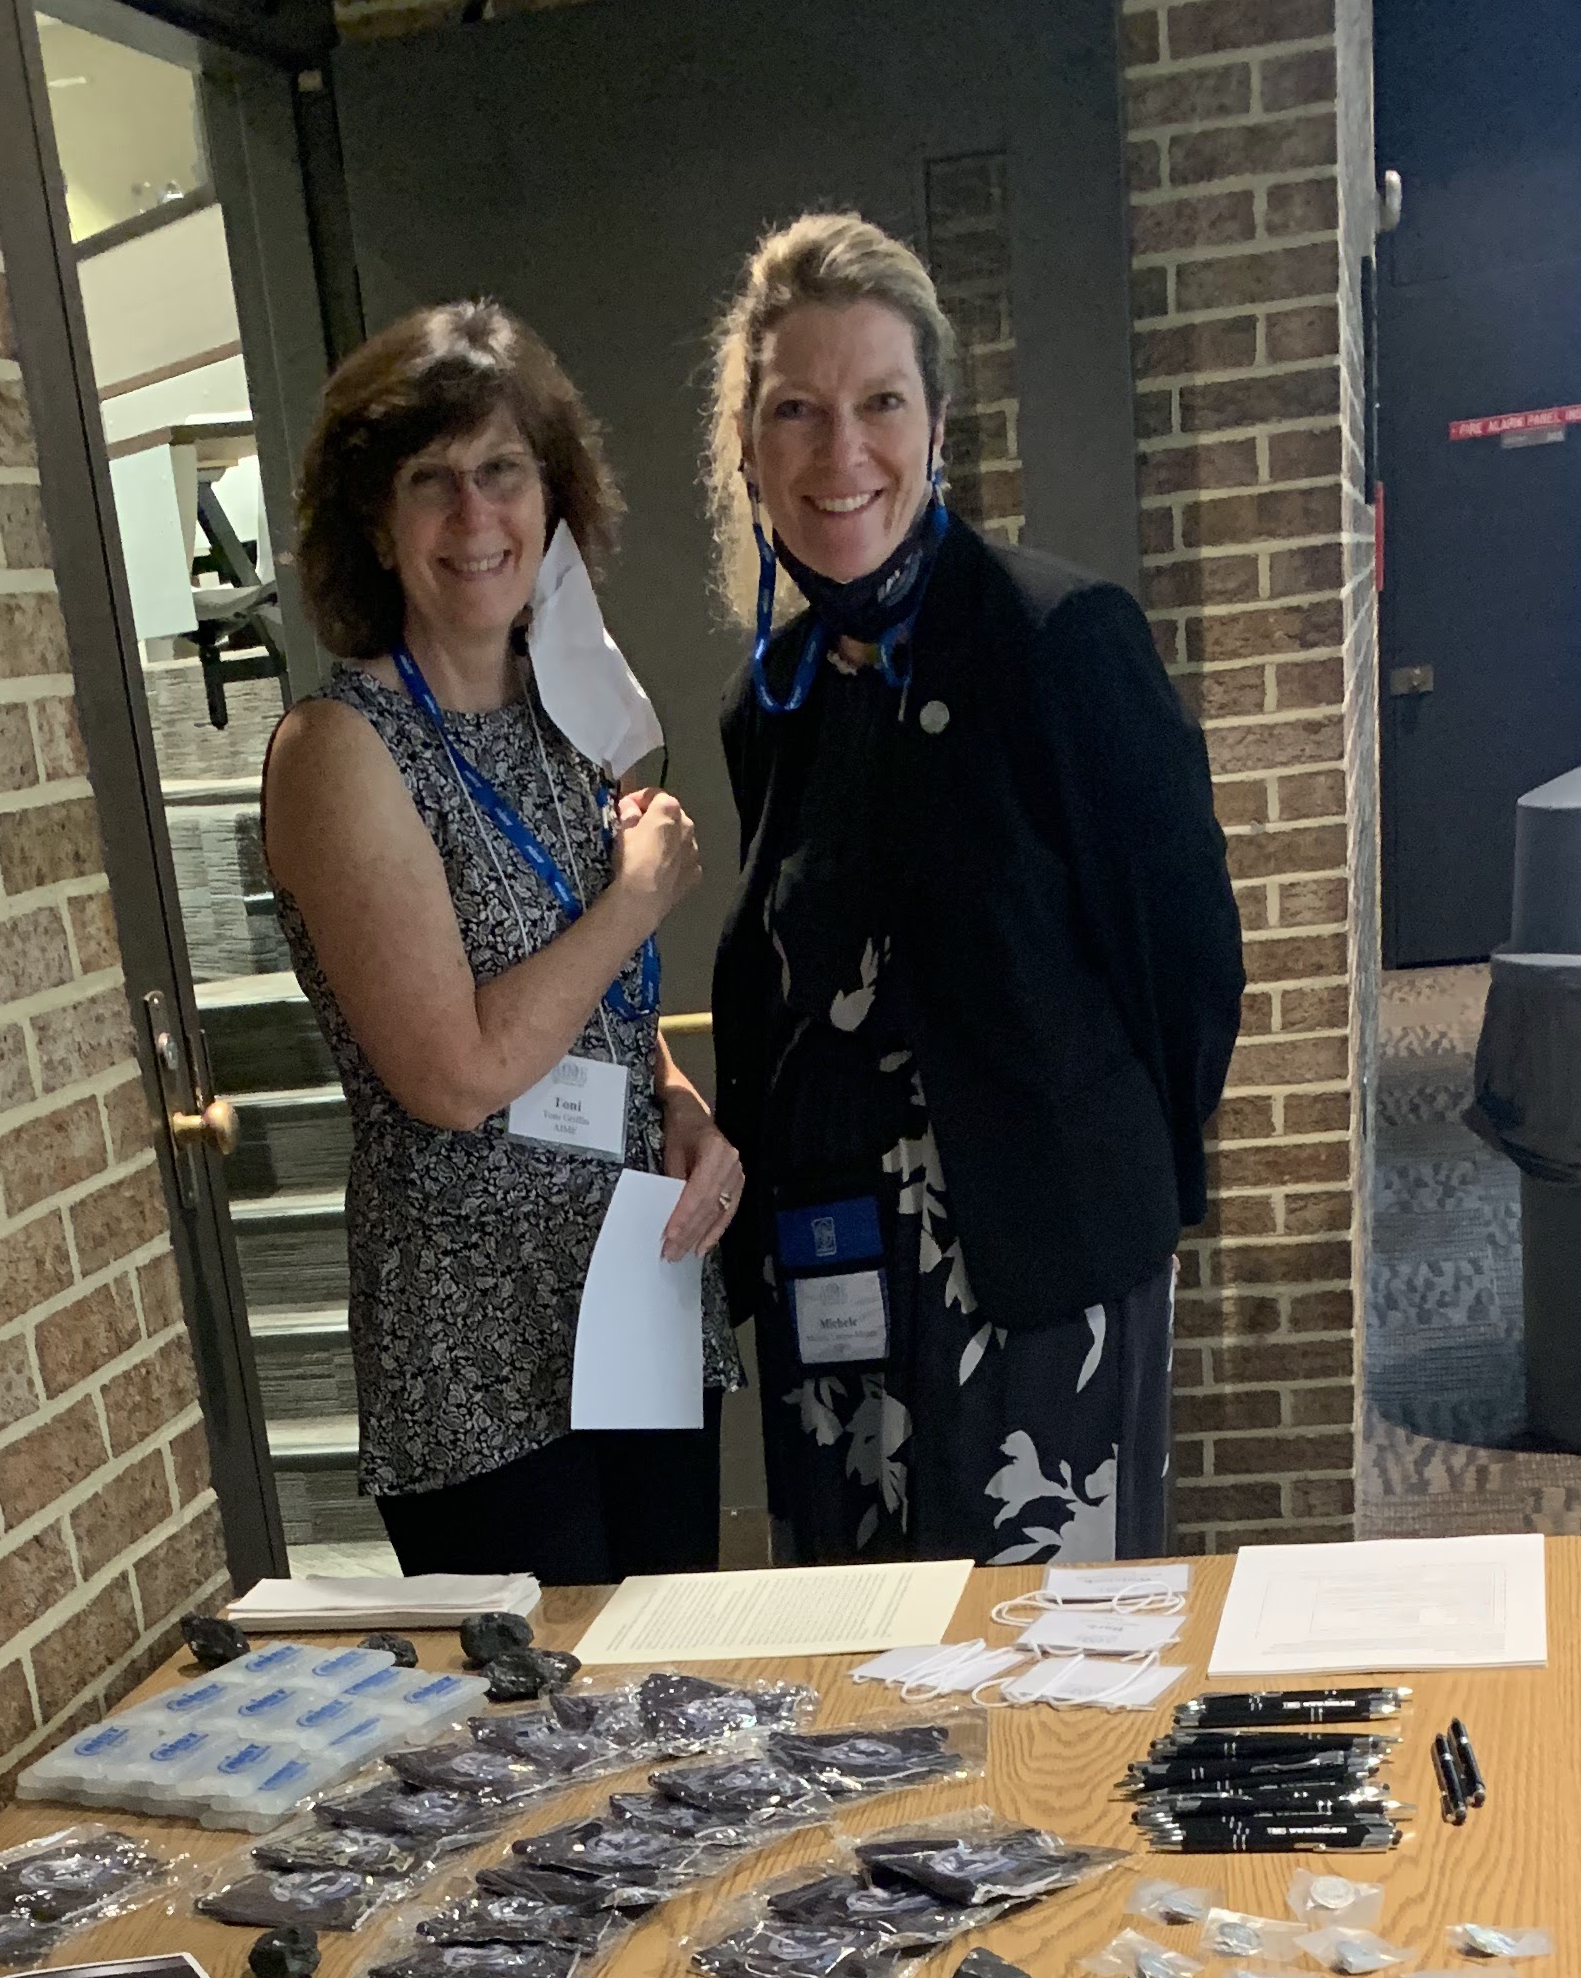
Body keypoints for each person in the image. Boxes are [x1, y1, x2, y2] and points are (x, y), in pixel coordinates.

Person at [704, 213, 1247, 1562]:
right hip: (831, 1288)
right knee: (856, 1658)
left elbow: (1187, 967)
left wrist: (1122, 1202)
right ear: (749, 449)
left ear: (936, 421)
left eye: (880, 402)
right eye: (796, 411)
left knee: (1054, 1672)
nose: (843, 454)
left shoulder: (1058, 642)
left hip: (1037, 1270)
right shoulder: (765, 706)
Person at [260, 303, 744, 1583]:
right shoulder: (342, 751)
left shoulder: (567, 715)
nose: (476, 520)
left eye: (503, 473)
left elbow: (598, 1021)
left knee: (668, 1685)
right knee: (538, 1742)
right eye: (432, 482)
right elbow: (458, 1075)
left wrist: (680, 1113)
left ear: (555, 498)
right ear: (375, 520)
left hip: (629, 1292)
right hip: (477, 1345)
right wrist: (633, 902)